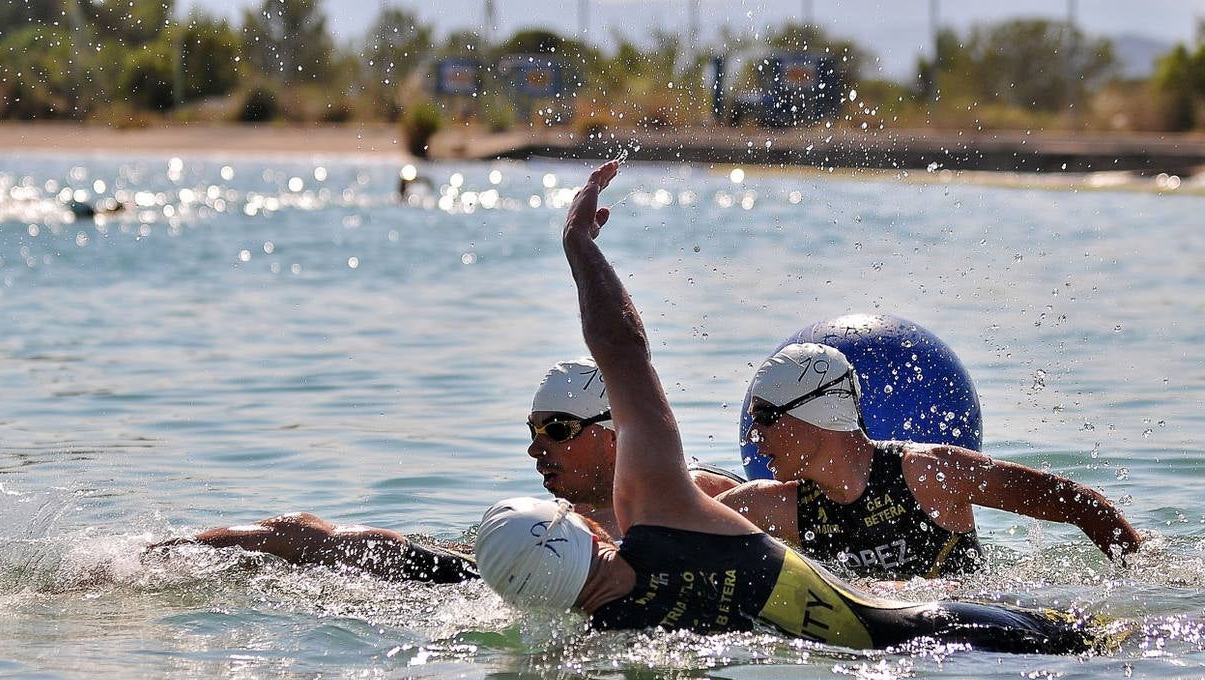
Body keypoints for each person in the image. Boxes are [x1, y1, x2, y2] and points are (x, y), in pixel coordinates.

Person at [474, 160, 1118, 654]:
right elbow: (623, 350)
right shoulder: (662, 513)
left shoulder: (600, 639)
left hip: (885, 677)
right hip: (966, 637)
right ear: (589, 530)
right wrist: (580, 247)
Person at [152, 357, 741, 581]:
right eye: (532, 432)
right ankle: (158, 555)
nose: (537, 449)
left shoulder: (696, 496)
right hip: (487, 572)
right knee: (309, 541)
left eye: (558, 431)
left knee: (316, 540)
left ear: (615, 435)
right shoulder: (565, 512)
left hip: (540, 587)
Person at [719, 342, 1142, 579]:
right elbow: (675, 522)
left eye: (764, 419)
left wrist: (1145, 578)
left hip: (970, 656)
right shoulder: (772, 505)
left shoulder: (929, 473)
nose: (753, 438)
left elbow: (1077, 503)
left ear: (812, 412)